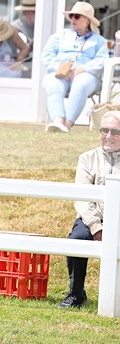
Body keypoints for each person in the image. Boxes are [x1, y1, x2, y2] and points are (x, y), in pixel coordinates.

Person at [58, 111, 120, 308]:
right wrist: (96, 227)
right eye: (105, 130)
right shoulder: (87, 158)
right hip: (93, 218)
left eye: (115, 131)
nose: (108, 136)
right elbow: (82, 198)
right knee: (76, 239)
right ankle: (76, 293)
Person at [41, 1, 107, 132]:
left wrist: (81, 69)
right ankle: (57, 121)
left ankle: (67, 124)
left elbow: (102, 60)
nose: (73, 19)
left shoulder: (99, 40)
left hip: (85, 74)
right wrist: (60, 69)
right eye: (71, 16)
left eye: (77, 16)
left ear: (87, 21)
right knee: (53, 84)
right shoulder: (60, 36)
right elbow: (46, 56)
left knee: (81, 83)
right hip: (60, 73)